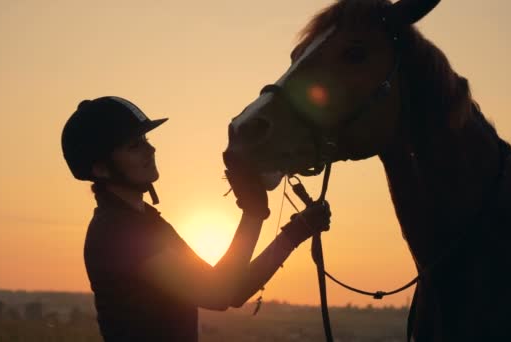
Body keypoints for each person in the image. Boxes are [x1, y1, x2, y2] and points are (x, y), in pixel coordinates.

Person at [60, 96, 331, 341]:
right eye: (134, 146)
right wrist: (253, 214)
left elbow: (233, 290)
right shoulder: (118, 233)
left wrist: (293, 233)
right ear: (101, 168)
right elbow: (217, 293)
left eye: (146, 141)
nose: (150, 151)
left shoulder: (146, 222)